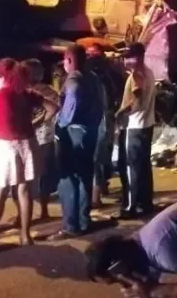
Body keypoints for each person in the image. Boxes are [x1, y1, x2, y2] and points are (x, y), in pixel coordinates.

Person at [0, 58, 38, 254]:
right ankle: (25, 236)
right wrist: (33, 124)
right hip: (26, 145)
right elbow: (53, 107)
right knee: (24, 192)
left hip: (3, 147)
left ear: (2, 76)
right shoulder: (27, 95)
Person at [49, 44, 105, 240]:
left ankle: (70, 225)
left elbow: (71, 99)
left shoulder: (74, 78)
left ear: (69, 60)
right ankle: (83, 220)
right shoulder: (94, 78)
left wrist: (62, 125)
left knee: (68, 179)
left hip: (73, 133)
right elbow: (102, 104)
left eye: (65, 60)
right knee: (85, 176)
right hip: (90, 131)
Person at [115, 43, 158, 220]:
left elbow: (137, 97)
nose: (127, 60)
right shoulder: (149, 72)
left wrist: (120, 112)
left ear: (139, 56)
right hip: (147, 124)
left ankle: (130, 206)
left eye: (129, 56)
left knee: (130, 168)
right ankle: (145, 203)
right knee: (143, 166)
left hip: (134, 126)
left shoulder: (137, 75)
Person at [21, 59, 60, 220]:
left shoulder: (28, 91)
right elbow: (55, 110)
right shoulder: (49, 91)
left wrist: (34, 123)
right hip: (44, 137)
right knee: (42, 175)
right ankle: (41, 210)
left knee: (29, 176)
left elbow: (52, 110)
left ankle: (28, 213)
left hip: (35, 136)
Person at [86, 44, 117, 207]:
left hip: (100, 121)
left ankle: (96, 197)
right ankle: (102, 188)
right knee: (103, 156)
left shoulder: (96, 80)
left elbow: (103, 103)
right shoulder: (107, 76)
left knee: (95, 160)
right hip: (107, 120)